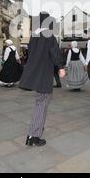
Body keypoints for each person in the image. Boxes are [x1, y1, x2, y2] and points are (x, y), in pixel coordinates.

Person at [19, 12, 65, 146]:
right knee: (42, 103)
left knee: (41, 101)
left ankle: (37, 127)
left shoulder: (34, 36)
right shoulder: (49, 36)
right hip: (44, 74)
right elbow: (55, 53)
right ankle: (33, 135)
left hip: (35, 73)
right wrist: (61, 67)